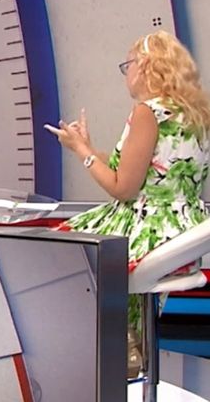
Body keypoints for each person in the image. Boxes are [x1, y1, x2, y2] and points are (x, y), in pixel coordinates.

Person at [45, 30, 210, 375]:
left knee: (60, 249)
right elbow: (145, 170)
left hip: (149, 227)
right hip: (185, 227)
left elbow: (122, 188)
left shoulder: (147, 113)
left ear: (146, 66)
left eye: (128, 65)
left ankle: (116, 347)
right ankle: (127, 345)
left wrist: (81, 152)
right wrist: (88, 148)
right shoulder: (195, 112)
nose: (126, 73)